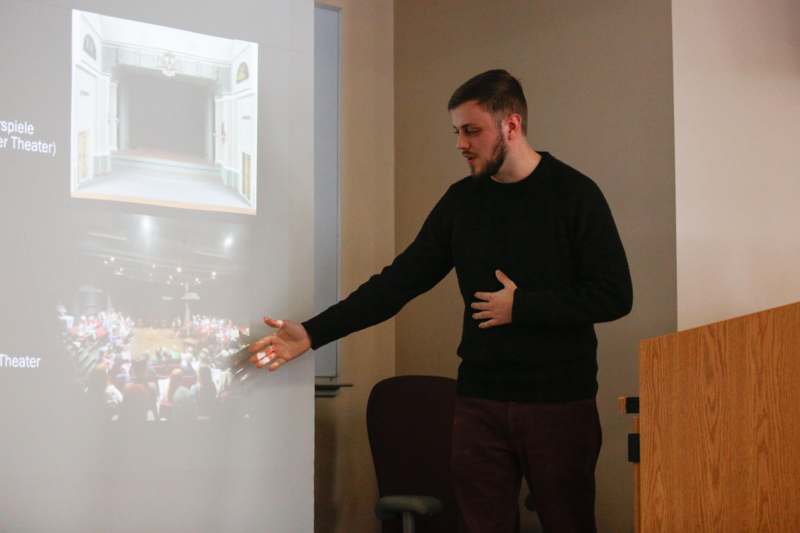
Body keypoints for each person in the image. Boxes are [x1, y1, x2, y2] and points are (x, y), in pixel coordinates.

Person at [248, 69, 632, 533]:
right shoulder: (461, 202)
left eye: (472, 130)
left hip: (558, 404)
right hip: (479, 403)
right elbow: (398, 283)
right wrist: (313, 332)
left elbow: (615, 294)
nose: (461, 144)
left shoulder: (575, 194)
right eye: (457, 131)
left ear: (511, 125)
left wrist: (523, 306)